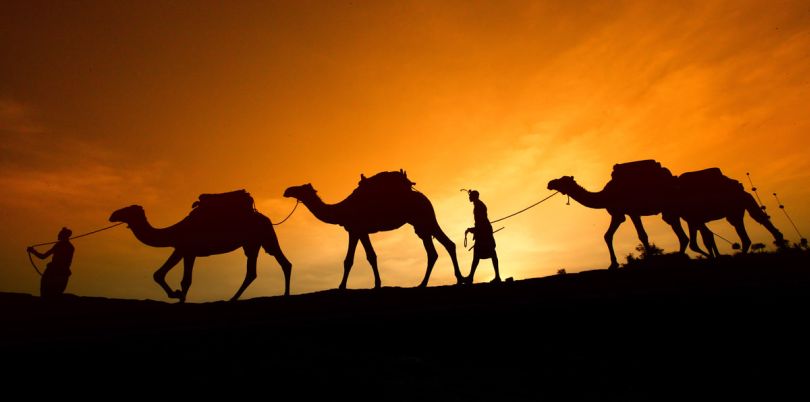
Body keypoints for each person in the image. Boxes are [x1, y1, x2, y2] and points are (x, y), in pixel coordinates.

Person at [27, 227, 74, 299]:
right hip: (63, 274)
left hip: (53, 273)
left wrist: (33, 251)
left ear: (63, 235)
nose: (58, 235)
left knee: (46, 294)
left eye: (60, 234)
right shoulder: (70, 247)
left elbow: (43, 257)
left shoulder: (59, 245)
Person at [465, 190, 500, 284]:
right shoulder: (478, 205)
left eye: (470, 196)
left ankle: (471, 277)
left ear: (474, 197)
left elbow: (480, 223)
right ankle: (471, 277)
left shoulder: (478, 207)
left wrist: (472, 230)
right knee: (482, 254)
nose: (469, 197)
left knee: (488, 253)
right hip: (484, 231)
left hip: (484, 232)